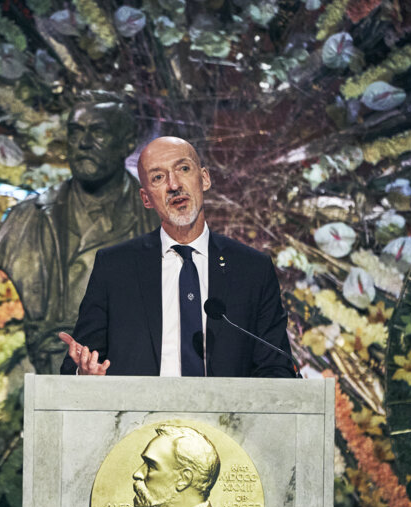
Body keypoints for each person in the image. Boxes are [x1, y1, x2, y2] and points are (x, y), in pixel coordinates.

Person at [59, 136, 296, 377]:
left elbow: (277, 368)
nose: (174, 185)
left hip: (226, 403)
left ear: (204, 178)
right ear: (146, 198)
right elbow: (79, 362)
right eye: (158, 177)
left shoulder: (252, 269)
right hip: (142, 403)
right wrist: (84, 373)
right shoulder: (115, 267)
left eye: (183, 169)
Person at [0, 91, 159, 374]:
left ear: (127, 143)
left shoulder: (157, 221)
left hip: (132, 378)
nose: (84, 143)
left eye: (98, 132)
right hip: (49, 377)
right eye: (76, 132)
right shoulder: (26, 219)